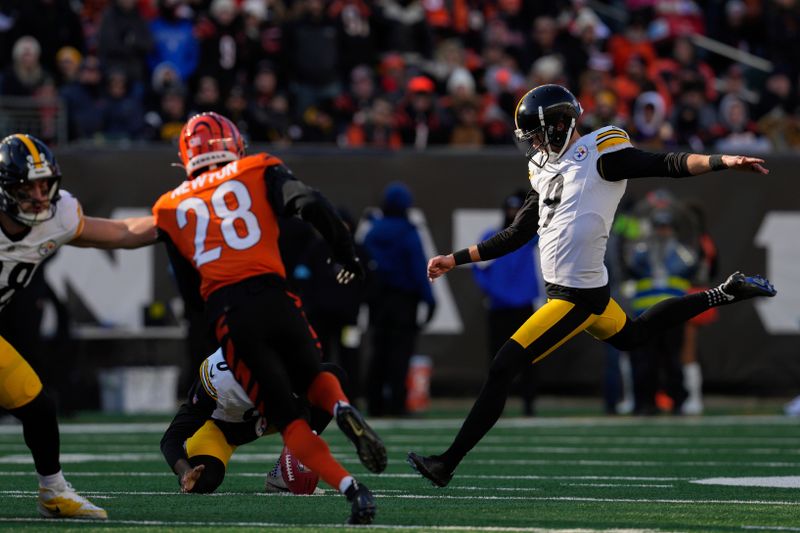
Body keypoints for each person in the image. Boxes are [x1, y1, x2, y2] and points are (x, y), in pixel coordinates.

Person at [407, 84, 777, 487]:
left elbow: (667, 162)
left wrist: (722, 160)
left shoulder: (601, 154)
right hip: (583, 290)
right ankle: (725, 291)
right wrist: (455, 259)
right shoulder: (546, 168)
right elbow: (516, 234)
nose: (533, 144)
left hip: (575, 297)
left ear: (560, 125)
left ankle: (447, 463)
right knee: (635, 335)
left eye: (537, 134)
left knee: (502, 368)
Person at [151, 112, 385, 524]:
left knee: (291, 420)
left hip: (234, 316)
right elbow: (310, 203)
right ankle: (338, 409)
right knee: (320, 383)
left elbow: (191, 294)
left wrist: (208, 312)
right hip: (278, 297)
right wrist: (345, 253)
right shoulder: (258, 167)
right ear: (235, 146)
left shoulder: (172, 205)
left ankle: (348, 485)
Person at [0, 133, 158, 519]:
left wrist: (177, 220)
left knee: (37, 405)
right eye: (27, 187)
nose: (39, 196)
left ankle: (53, 493)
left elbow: (120, 233)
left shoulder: (59, 216)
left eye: (44, 185)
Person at [161, 348, 347, 494]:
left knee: (330, 377)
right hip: (222, 430)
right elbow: (171, 438)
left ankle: (282, 476)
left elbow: (304, 399)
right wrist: (184, 471)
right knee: (202, 482)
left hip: (269, 418)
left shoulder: (280, 358)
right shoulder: (214, 383)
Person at [363, 182, 436, 417]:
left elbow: (363, 267)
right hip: (404, 301)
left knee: (379, 351)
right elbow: (418, 268)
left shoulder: (373, 232)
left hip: (378, 300)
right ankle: (396, 403)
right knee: (400, 353)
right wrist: (430, 300)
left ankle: (374, 403)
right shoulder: (408, 232)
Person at [471, 190, 541, 416]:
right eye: (510, 210)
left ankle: (529, 403)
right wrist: (493, 290)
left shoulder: (531, 236)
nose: (512, 214)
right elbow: (478, 268)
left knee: (528, 357)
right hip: (499, 307)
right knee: (496, 359)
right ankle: (492, 405)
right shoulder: (492, 235)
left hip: (523, 305)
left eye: (517, 210)